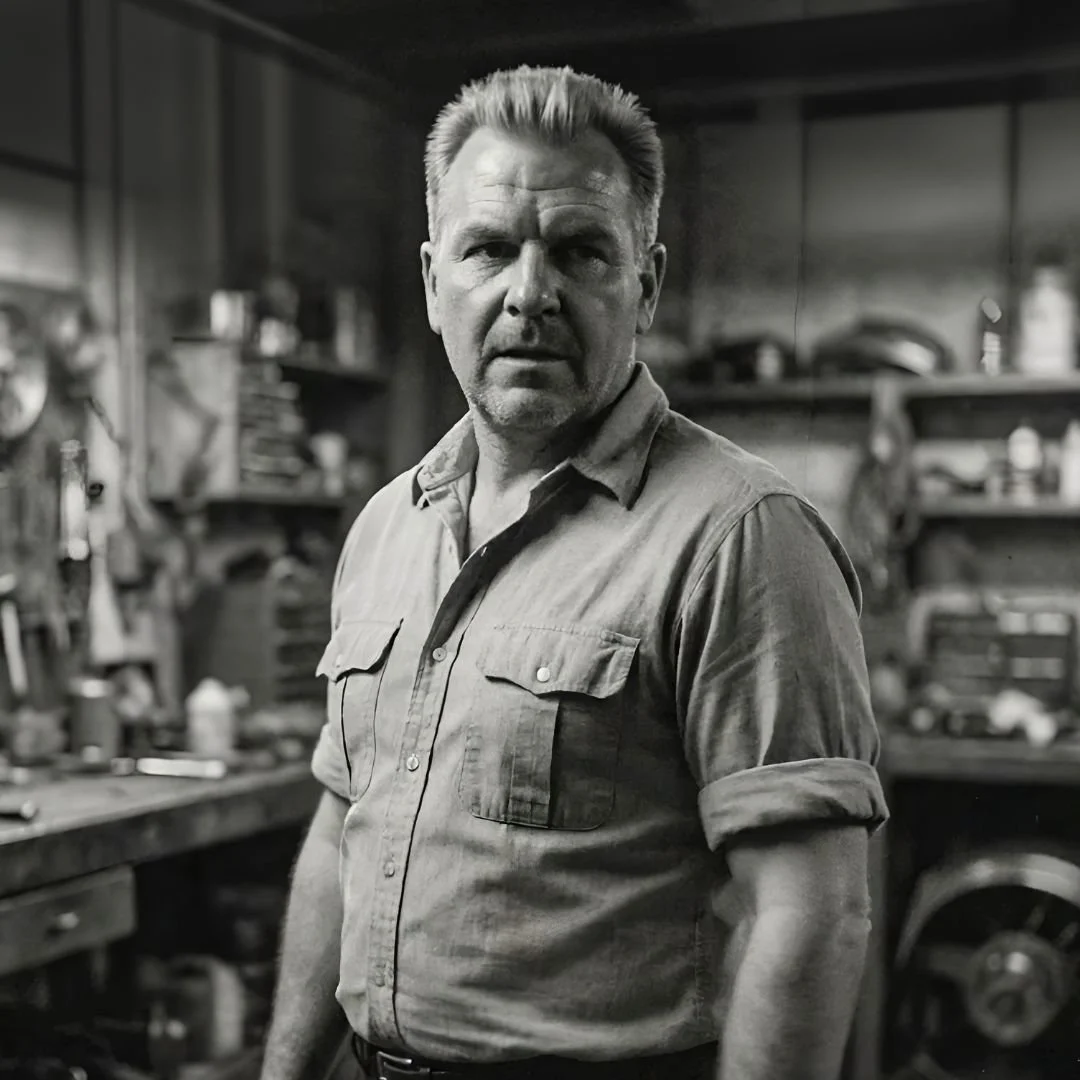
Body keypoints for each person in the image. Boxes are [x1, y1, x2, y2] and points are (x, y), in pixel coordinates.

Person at [260, 65, 889, 1080]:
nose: (529, 294)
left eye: (581, 251)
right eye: (489, 250)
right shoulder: (385, 528)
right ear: (432, 282)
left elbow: (811, 913)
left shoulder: (739, 536)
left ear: (645, 284)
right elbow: (344, 836)